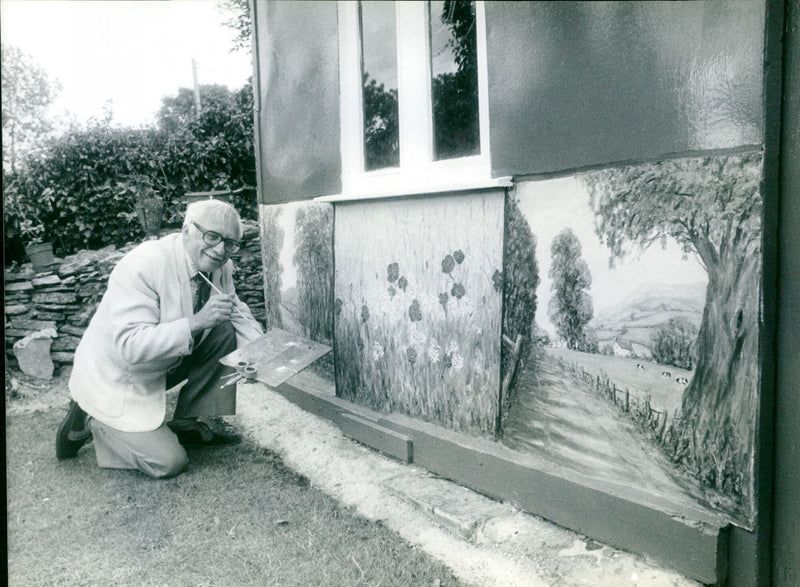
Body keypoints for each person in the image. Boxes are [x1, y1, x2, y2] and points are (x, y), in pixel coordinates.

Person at [55, 199, 263, 478]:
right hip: (117, 375)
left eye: (229, 243)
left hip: (163, 362)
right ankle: (89, 417)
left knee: (225, 330)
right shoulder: (145, 263)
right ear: (187, 229)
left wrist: (258, 356)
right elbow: (130, 347)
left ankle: (189, 422)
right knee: (168, 462)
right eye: (212, 236)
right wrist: (196, 322)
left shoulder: (220, 266)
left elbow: (237, 313)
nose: (219, 250)